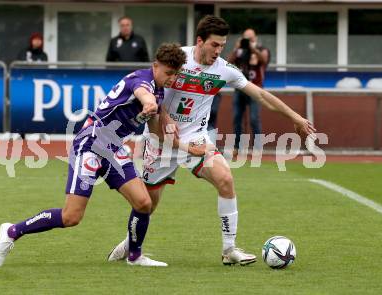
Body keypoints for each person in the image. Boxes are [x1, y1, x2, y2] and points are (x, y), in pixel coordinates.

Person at [108, 15, 315, 266]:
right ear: (199, 41)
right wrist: (163, 118)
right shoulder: (177, 59)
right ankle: (129, 245)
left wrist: (296, 118)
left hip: (196, 139)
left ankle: (229, 250)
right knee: (147, 205)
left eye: (222, 45)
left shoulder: (224, 70)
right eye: (214, 45)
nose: (218, 51)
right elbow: (154, 88)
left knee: (226, 179)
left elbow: (259, 94)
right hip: (160, 141)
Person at [0, 43, 187, 267]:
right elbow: (144, 95)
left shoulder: (159, 92)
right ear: (155, 66)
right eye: (168, 73)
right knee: (71, 217)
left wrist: (186, 146)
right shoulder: (141, 81)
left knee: (143, 203)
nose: (171, 78)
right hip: (91, 144)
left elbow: (155, 133)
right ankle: (12, 231)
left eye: (175, 74)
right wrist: (150, 104)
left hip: (114, 148)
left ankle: (134, 256)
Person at [227, 28, 270, 150]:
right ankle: (237, 146)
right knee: (236, 118)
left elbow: (263, 60)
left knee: (254, 119)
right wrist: (237, 48)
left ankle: (257, 147)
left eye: (250, 39)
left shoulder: (261, 50)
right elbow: (228, 63)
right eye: (246, 39)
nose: (248, 42)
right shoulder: (239, 51)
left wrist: (252, 48)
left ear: (255, 39)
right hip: (240, 89)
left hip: (255, 88)